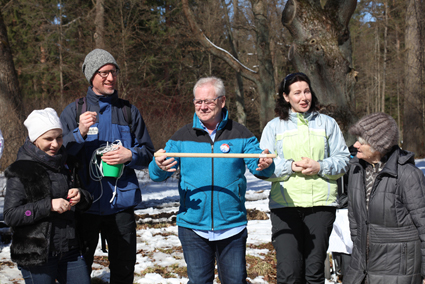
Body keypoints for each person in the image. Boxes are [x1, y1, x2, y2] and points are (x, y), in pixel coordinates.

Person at [149, 76, 275, 284]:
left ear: (222, 101)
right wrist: (159, 165)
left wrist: (265, 164)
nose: (203, 106)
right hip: (193, 226)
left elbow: (260, 166)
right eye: (199, 101)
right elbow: (156, 173)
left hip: (231, 225)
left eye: (209, 101)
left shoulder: (240, 133)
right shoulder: (182, 136)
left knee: (235, 281)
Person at [59, 49, 155, 283]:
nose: (110, 78)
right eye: (104, 73)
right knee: (77, 272)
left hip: (121, 206)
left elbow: (148, 154)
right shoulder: (75, 111)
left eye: (113, 72)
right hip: (84, 205)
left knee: (123, 271)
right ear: (91, 76)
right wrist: (78, 133)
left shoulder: (128, 111)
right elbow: (58, 155)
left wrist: (129, 155)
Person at [259, 72, 350, 284]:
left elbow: (344, 160)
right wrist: (290, 166)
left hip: (320, 206)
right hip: (285, 206)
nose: (303, 97)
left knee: (314, 273)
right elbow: (263, 168)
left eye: (307, 91)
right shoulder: (273, 127)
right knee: (289, 273)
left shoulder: (327, 123)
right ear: (285, 97)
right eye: (297, 93)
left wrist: (320, 166)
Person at [4, 108, 93, 284]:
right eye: (48, 139)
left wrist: (80, 196)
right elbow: (11, 215)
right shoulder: (21, 169)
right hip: (36, 255)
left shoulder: (68, 164)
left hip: (71, 250)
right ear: (35, 139)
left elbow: (87, 199)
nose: (55, 144)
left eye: (59, 137)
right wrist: (49, 205)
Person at [345, 112, 425, 284]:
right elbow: (354, 217)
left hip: (399, 270)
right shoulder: (356, 170)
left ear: (379, 146)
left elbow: (424, 224)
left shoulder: (408, 175)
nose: (356, 145)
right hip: (362, 269)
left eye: (362, 141)